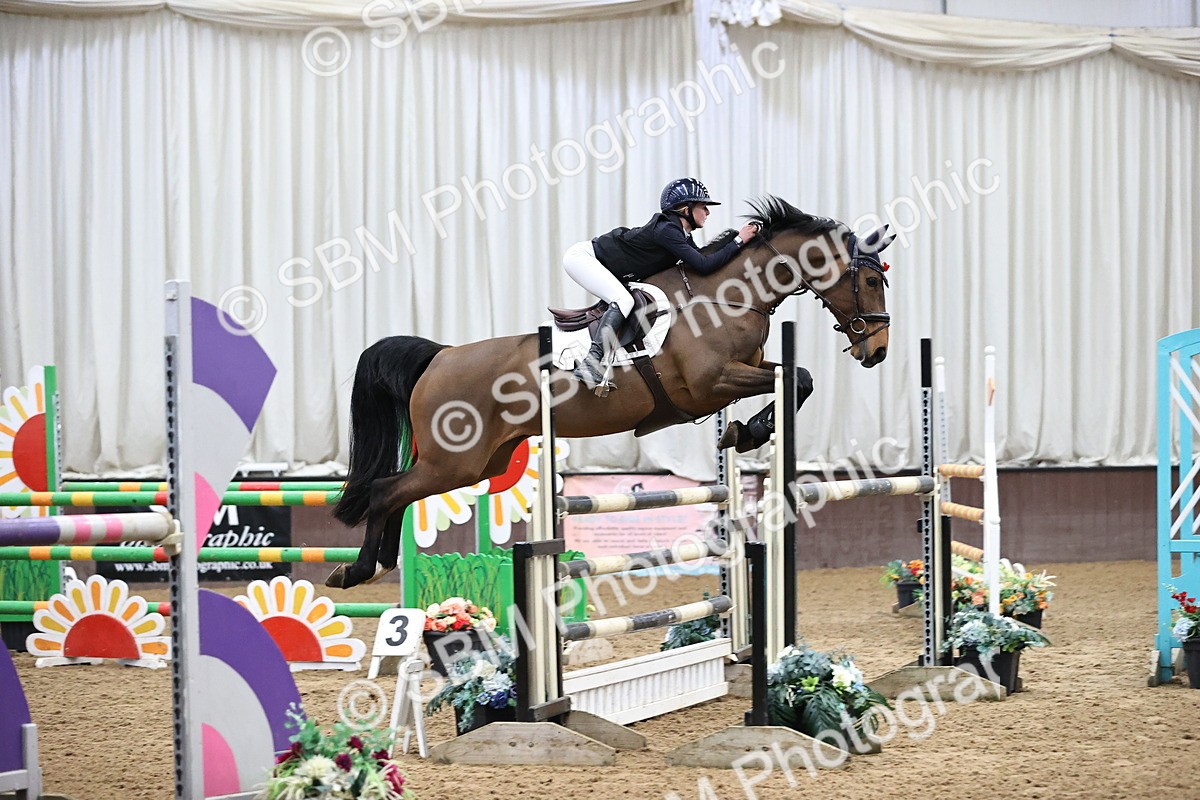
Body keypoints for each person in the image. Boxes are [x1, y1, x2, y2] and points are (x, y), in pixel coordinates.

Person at [562, 177, 759, 388]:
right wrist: (739, 240)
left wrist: (739, 244)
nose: (708, 212)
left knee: (625, 299)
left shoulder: (679, 234)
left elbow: (702, 261)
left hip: (604, 263)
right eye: (703, 207)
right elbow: (703, 265)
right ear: (685, 209)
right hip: (582, 259)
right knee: (623, 300)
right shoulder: (667, 231)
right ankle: (591, 363)